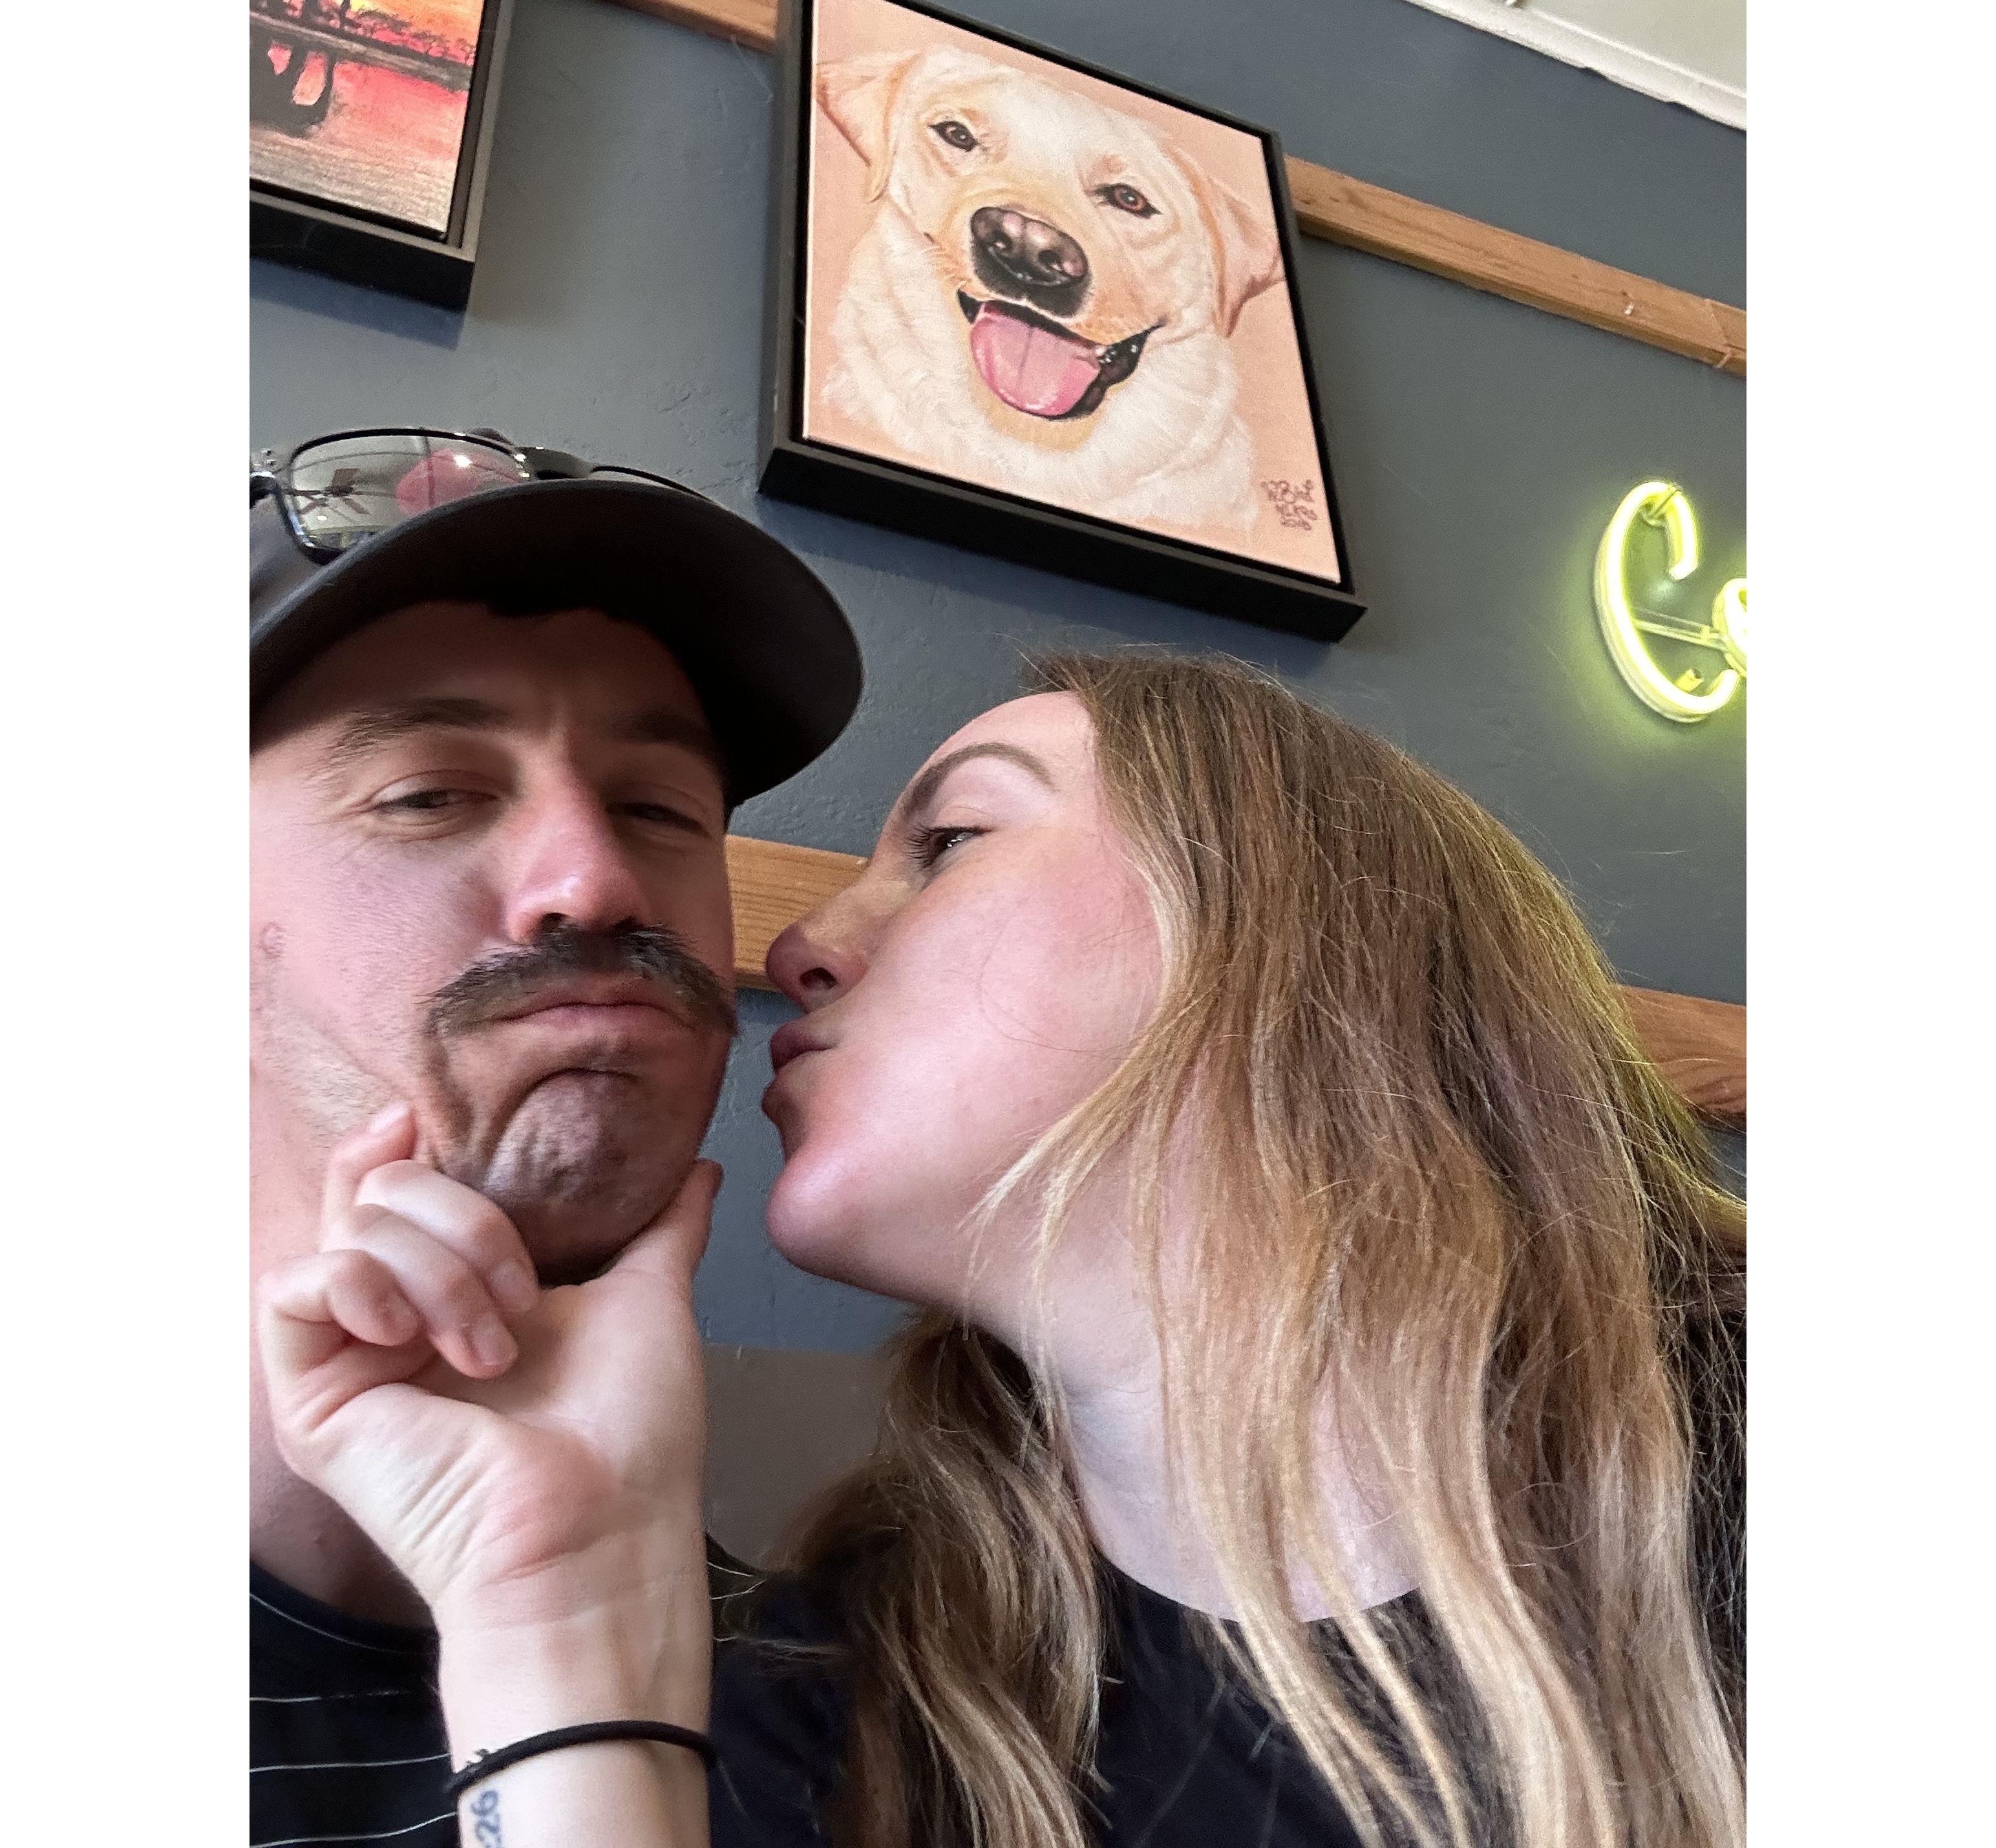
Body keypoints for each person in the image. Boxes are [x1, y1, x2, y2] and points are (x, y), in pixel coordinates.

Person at [262, 650, 1745, 1848]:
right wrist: (562, 1624)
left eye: (949, 842)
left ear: (1294, 923)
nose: (794, 945)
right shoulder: (858, 1692)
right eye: (426, 793)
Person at [249, 427, 862, 1848]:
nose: (593, 879)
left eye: (658, 807)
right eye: (430, 794)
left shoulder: (873, 1734)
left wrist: (564, 1635)